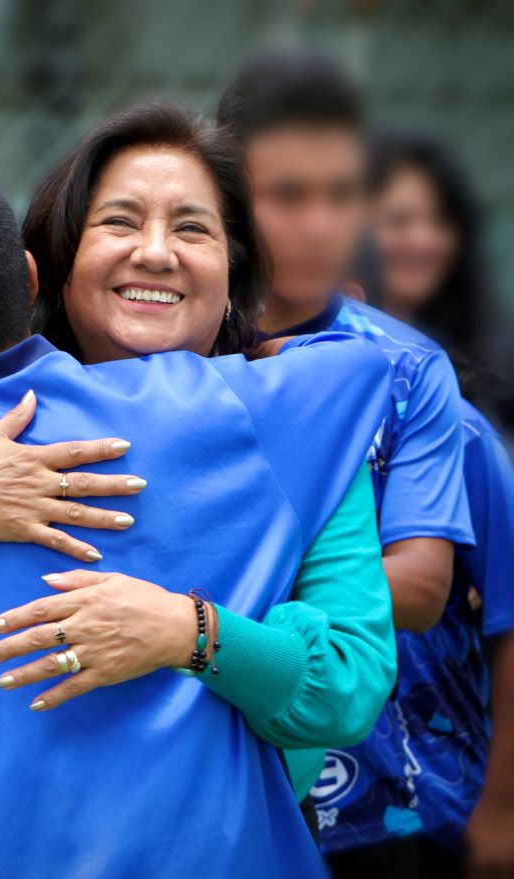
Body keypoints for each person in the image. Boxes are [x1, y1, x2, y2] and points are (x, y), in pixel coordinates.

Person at [0, 106, 395, 786]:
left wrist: (187, 630)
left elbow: (347, 689)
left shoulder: (301, 433)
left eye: (192, 227)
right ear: (51, 266)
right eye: (120, 220)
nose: (155, 251)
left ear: (234, 272)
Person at [215, 51, 475, 861]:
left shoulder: (404, 369)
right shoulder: (163, 341)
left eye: (342, 195)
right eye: (288, 195)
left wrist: (213, 604)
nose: (321, 224)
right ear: (224, 194)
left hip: (391, 796)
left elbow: (426, 585)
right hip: (212, 770)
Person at [360, 132, 514, 877]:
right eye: (396, 218)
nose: (419, 240)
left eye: (434, 219)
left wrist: (502, 808)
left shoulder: (462, 421)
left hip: (424, 806)